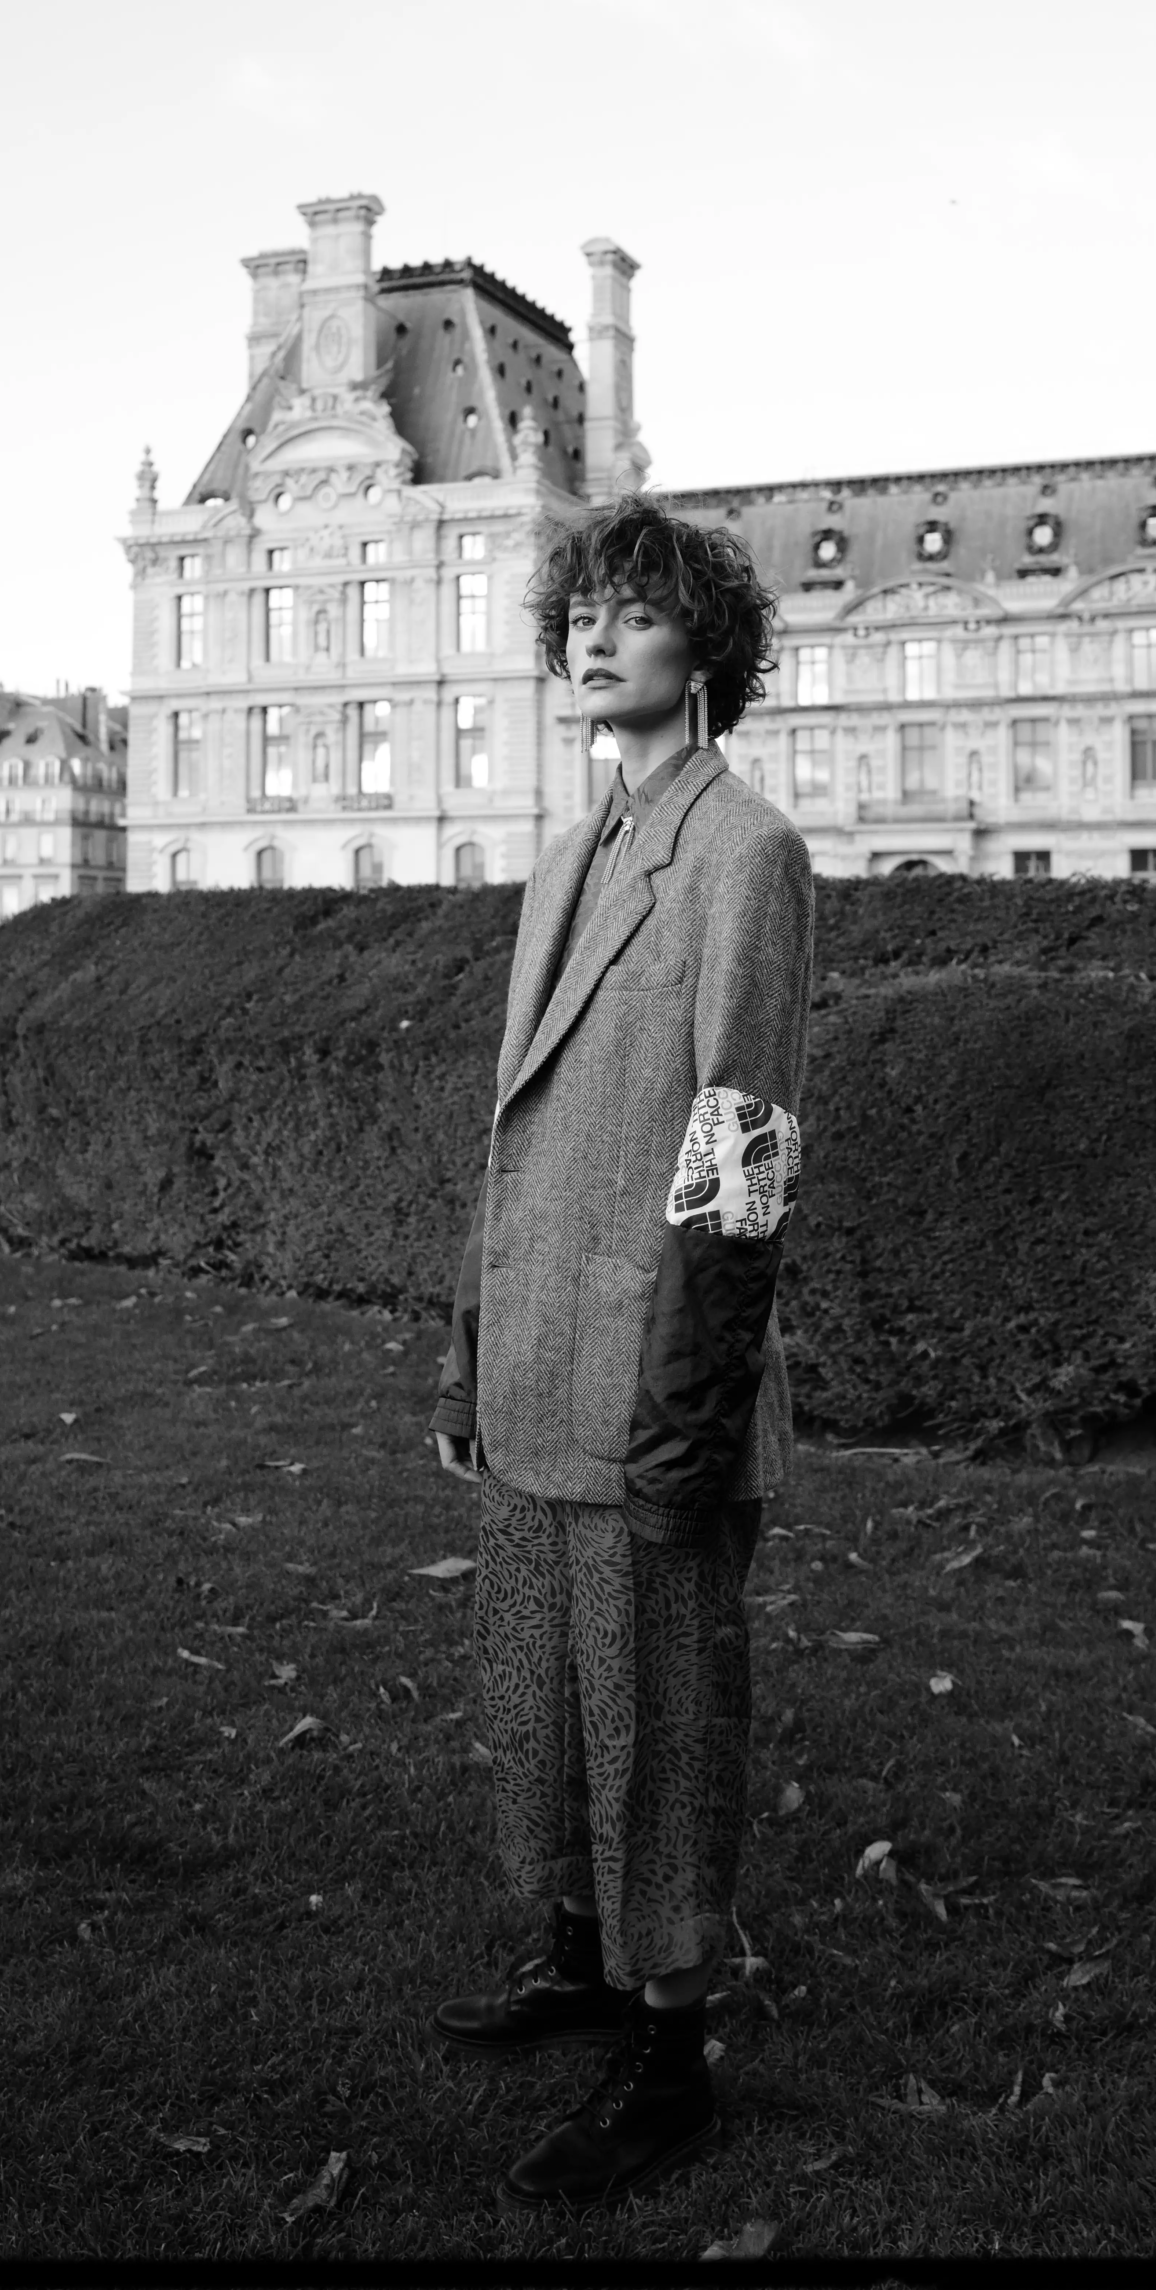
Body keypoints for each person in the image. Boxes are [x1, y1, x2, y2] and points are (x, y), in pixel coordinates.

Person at [425, 492, 814, 2208]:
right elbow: (512, 1134)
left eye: (636, 613)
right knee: (538, 1702)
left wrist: (695, 1402)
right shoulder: (574, 846)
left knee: (658, 1718)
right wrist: (462, 1355)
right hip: (531, 1376)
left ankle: (673, 2054)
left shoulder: (743, 851)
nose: (596, 635)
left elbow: (746, 1141)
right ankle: (581, 1961)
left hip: (650, 1376)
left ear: (704, 651)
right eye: (580, 609)